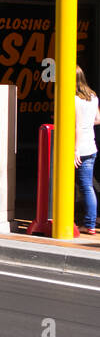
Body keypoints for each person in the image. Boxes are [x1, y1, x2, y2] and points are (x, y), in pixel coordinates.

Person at [75, 66, 100, 235]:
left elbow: (75, 125)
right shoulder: (92, 96)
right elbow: (98, 119)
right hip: (91, 145)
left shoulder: (74, 99)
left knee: (83, 186)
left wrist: (75, 149)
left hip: (78, 148)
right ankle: (91, 221)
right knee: (88, 186)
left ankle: (89, 223)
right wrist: (86, 124)